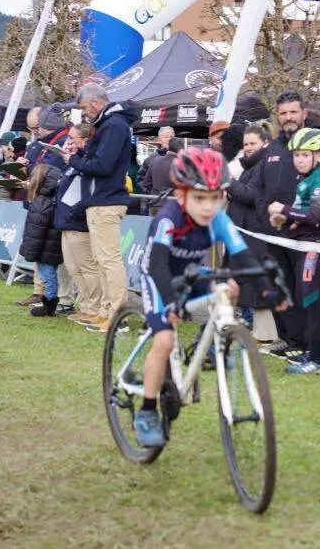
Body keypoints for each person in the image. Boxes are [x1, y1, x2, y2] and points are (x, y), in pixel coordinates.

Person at [132, 147, 283, 447]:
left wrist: (267, 289)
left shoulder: (219, 220)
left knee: (230, 288)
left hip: (193, 273)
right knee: (164, 340)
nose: (208, 207)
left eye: (216, 198)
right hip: (159, 278)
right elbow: (158, 266)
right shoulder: (168, 219)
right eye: (200, 198)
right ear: (181, 195)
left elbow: (245, 258)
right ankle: (147, 411)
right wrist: (172, 302)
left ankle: (212, 342)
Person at [235, 91, 320, 362]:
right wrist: (268, 219)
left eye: (293, 112)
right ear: (277, 116)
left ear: (303, 113)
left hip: (309, 236)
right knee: (282, 288)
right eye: (283, 113)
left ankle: (312, 347)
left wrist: (293, 216)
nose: (288, 117)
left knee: (311, 292)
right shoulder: (271, 149)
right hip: (275, 235)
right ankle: (291, 340)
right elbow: (258, 189)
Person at [65, 83, 137, 332]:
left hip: (106, 201)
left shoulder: (113, 125)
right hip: (99, 200)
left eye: (85, 108)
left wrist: (74, 160)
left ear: (95, 103)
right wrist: (83, 155)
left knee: (109, 261)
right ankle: (106, 311)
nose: (85, 113)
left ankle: (117, 316)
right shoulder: (109, 124)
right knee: (101, 260)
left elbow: (103, 166)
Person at [267, 128, 320, 375]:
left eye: (305, 155)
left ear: (319, 156)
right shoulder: (305, 178)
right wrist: (285, 220)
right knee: (307, 300)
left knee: (312, 301)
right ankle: (317, 353)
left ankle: (317, 359)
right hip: (305, 244)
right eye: (296, 155)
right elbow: (303, 214)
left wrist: (283, 209)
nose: (300, 160)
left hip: (316, 247)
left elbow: (315, 215)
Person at [226, 124, 276, 342]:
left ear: (265, 143)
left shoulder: (263, 165)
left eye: (252, 143)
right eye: (245, 144)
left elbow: (250, 195)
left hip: (254, 232)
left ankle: (265, 334)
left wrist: (228, 182)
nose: (248, 147)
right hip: (243, 231)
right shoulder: (251, 165)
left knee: (256, 285)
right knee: (241, 283)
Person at [54, 123, 104, 326]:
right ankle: (84, 306)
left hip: (78, 222)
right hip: (66, 222)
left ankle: (94, 308)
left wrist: (77, 212)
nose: (69, 142)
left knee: (87, 267)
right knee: (73, 268)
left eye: (73, 139)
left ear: (85, 140)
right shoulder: (73, 162)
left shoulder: (88, 163)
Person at [19, 163, 64, 317]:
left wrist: (31, 251)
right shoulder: (51, 197)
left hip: (45, 246)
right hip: (51, 244)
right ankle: (50, 301)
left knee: (48, 275)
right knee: (49, 274)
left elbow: (35, 230)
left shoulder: (42, 202)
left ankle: (49, 303)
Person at [137, 125, 175, 192]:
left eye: (171, 137)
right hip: (156, 196)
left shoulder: (180, 158)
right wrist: (149, 193)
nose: (169, 139)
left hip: (175, 197)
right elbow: (141, 179)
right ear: (159, 140)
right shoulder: (151, 159)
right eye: (166, 137)